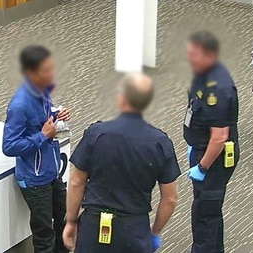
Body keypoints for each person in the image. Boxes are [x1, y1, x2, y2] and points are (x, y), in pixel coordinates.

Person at [63, 73, 180, 253]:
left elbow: (76, 181)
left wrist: (71, 221)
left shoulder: (96, 134)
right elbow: (170, 198)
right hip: (133, 229)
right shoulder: (160, 142)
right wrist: (154, 233)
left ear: (121, 98)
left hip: (94, 226)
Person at [2, 45, 70, 253]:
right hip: (34, 179)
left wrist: (57, 115)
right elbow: (9, 146)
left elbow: (44, 117)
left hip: (51, 171)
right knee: (44, 234)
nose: (51, 75)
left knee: (64, 222)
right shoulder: (19, 105)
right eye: (46, 71)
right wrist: (42, 136)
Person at [184, 31, 240, 253]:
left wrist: (202, 166)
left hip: (213, 158)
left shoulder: (216, 88)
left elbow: (219, 137)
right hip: (203, 148)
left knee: (205, 212)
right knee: (207, 208)